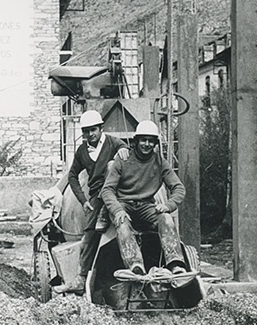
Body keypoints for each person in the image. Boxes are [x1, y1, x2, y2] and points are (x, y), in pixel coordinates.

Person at [54, 109, 130, 294]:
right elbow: (72, 175)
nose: (90, 134)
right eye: (86, 131)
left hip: (118, 191)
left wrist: (123, 150)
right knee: (89, 233)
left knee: (113, 165)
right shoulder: (82, 151)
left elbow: (125, 148)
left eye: (93, 130)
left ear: (101, 128)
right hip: (97, 195)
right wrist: (82, 200)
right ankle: (81, 277)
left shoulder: (112, 142)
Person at [101, 120, 187, 277]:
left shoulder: (160, 162)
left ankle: (175, 263)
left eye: (150, 140)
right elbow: (107, 190)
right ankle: (135, 264)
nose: (146, 144)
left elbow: (178, 188)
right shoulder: (123, 159)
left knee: (166, 218)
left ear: (155, 143)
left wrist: (168, 205)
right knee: (121, 222)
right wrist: (117, 210)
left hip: (146, 206)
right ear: (136, 141)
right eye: (143, 140)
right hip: (124, 204)